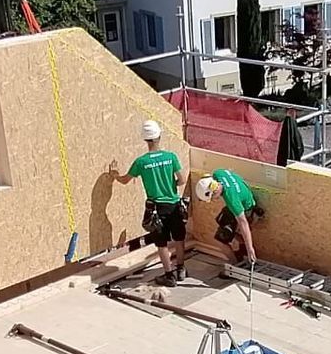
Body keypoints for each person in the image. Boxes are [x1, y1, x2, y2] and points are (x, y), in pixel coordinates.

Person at [113, 118, 187, 284]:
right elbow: (182, 180)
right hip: (174, 205)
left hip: (157, 209)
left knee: (161, 244)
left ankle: (169, 276)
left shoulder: (142, 162)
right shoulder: (171, 157)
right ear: (159, 136)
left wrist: (114, 175)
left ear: (145, 139)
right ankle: (181, 269)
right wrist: (170, 186)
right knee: (179, 239)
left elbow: (125, 180)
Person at [195, 168, 264, 264]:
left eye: (212, 197)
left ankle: (235, 265)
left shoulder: (232, 200)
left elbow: (243, 222)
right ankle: (242, 248)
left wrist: (250, 249)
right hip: (247, 201)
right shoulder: (218, 173)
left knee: (220, 240)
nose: (214, 199)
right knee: (221, 220)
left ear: (214, 191)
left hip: (247, 210)